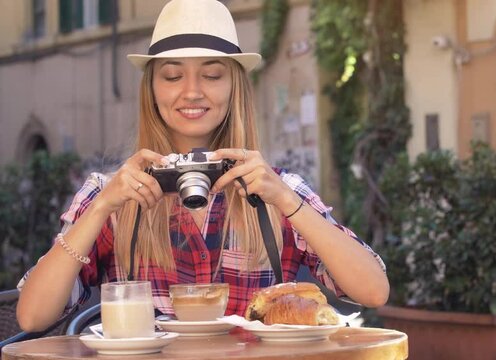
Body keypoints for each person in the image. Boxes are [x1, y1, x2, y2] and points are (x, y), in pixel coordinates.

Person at [16, 0, 389, 332]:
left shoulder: (275, 188)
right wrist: (100, 208)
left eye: (212, 75)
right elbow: (32, 316)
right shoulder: (114, 192)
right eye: (173, 75)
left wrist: (288, 202)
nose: (192, 91)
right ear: (152, 89)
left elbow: (373, 291)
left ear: (233, 87)